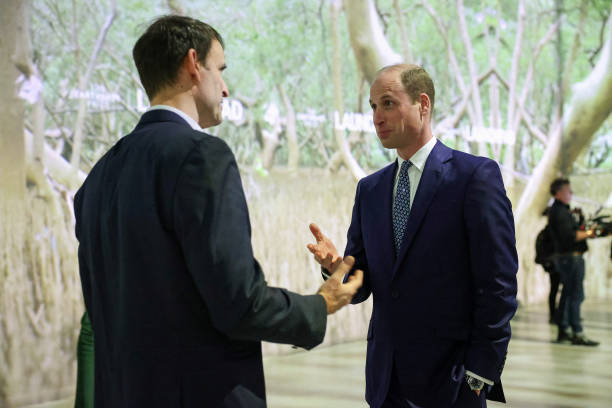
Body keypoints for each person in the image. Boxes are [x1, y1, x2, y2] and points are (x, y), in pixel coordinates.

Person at [74, 15, 363, 408]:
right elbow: (237, 303)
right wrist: (319, 304)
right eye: (220, 70)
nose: (225, 88)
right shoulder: (201, 155)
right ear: (194, 64)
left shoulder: (99, 176)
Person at [307, 64, 518, 408]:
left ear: (423, 104)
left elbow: (498, 282)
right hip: (385, 381)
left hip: (452, 381)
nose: (377, 117)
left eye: (388, 103)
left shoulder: (474, 177)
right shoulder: (370, 190)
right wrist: (337, 269)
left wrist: (481, 372)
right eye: (373, 107)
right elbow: (365, 285)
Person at [548, 178, 598, 346]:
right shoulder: (559, 212)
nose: (571, 194)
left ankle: (565, 330)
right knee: (575, 295)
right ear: (559, 192)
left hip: (569, 258)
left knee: (570, 295)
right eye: (569, 191)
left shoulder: (561, 210)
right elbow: (570, 236)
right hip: (569, 258)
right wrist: (591, 232)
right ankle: (576, 332)